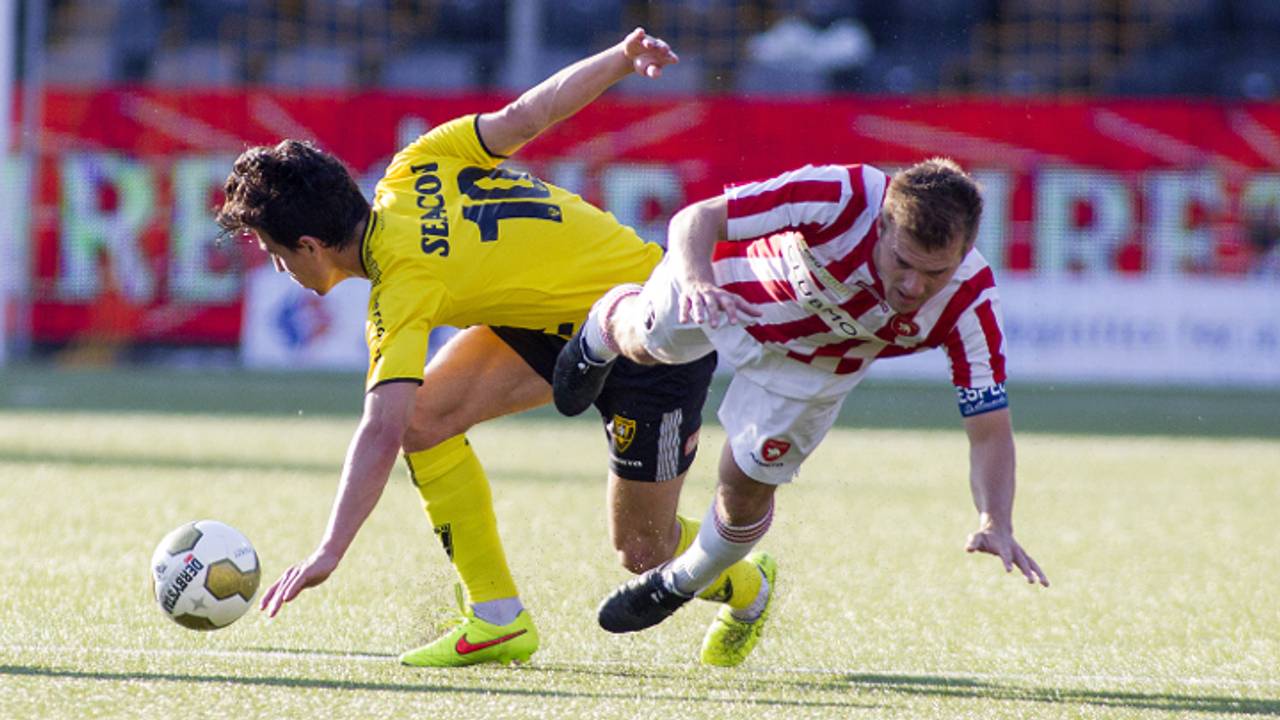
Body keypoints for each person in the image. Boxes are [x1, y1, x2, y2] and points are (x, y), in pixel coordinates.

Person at [215, 28, 770, 668]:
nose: (278, 267)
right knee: (427, 420)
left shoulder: (401, 289)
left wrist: (330, 549)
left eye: (276, 253)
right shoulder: (415, 163)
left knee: (643, 552)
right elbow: (529, 113)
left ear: (311, 246)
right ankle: (497, 617)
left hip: (654, 332)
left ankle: (747, 583)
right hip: (551, 324)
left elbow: (378, 428)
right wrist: (620, 59)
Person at [554, 158, 1050, 660]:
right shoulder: (843, 196)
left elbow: (989, 428)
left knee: (743, 489)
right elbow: (696, 218)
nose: (912, 287)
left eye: (935, 272)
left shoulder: (971, 303)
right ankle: (600, 333)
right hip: (727, 290)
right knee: (643, 345)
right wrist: (698, 282)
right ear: (882, 224)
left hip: (813, 369)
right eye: (902, 261)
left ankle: (679, 583)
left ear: (964, 253)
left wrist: (996, 520)